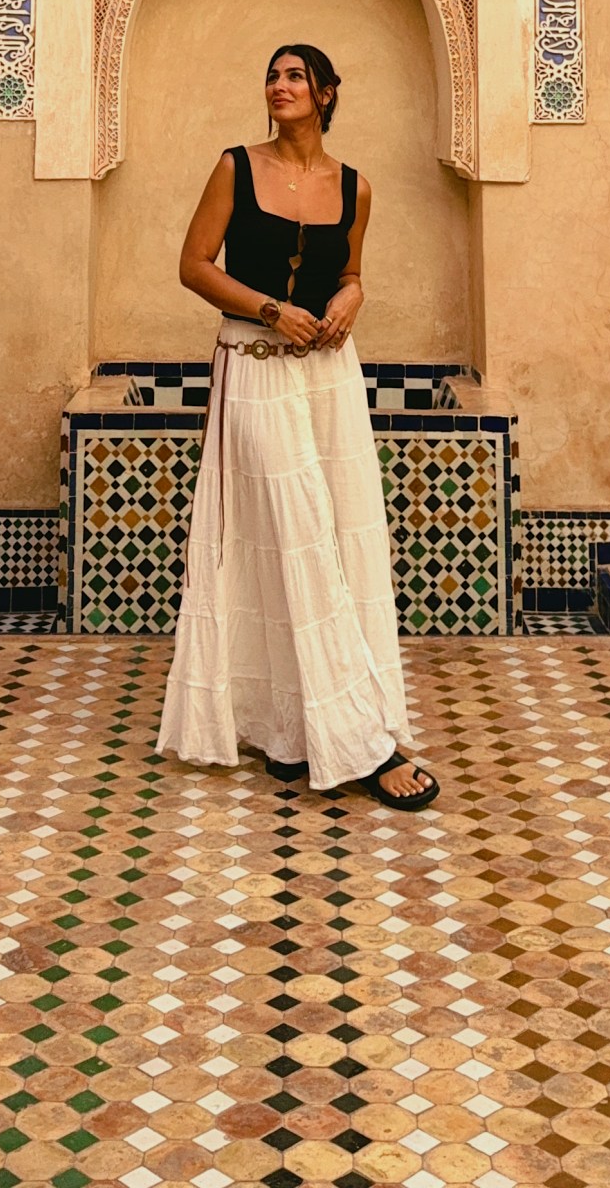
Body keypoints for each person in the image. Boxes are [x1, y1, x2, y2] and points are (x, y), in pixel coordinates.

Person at [155, 42, 439, 809]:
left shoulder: (356, 187)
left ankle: (290, 730)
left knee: (339, 533)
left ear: (326, 93)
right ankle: (367, 742)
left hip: (328, 374)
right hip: (253, 362)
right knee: (296, 531)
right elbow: (194, 264)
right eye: (272, 76)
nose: (278, 88)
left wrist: (351, 299)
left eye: (293, 77)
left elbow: (349, 273)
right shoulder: (234, 167)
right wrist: (271, 310)